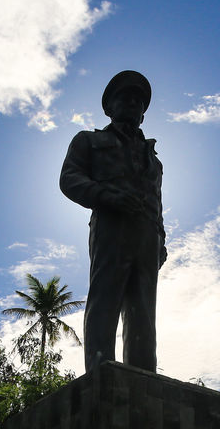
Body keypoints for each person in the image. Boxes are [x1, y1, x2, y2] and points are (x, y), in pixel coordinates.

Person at [59, 70, 166, 373]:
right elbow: (69, 179)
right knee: (105, 301)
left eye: (139, 101)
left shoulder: (154, 160)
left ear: (144, 114)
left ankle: (144, 375)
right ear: (109, 107)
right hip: (111, 226)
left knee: (143, 311)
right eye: (125, 97)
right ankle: (100, 370)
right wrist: (106, 196)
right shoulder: (89, 141)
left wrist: (161, 237)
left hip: (147, 235)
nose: (133, 103)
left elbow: (157, 202)